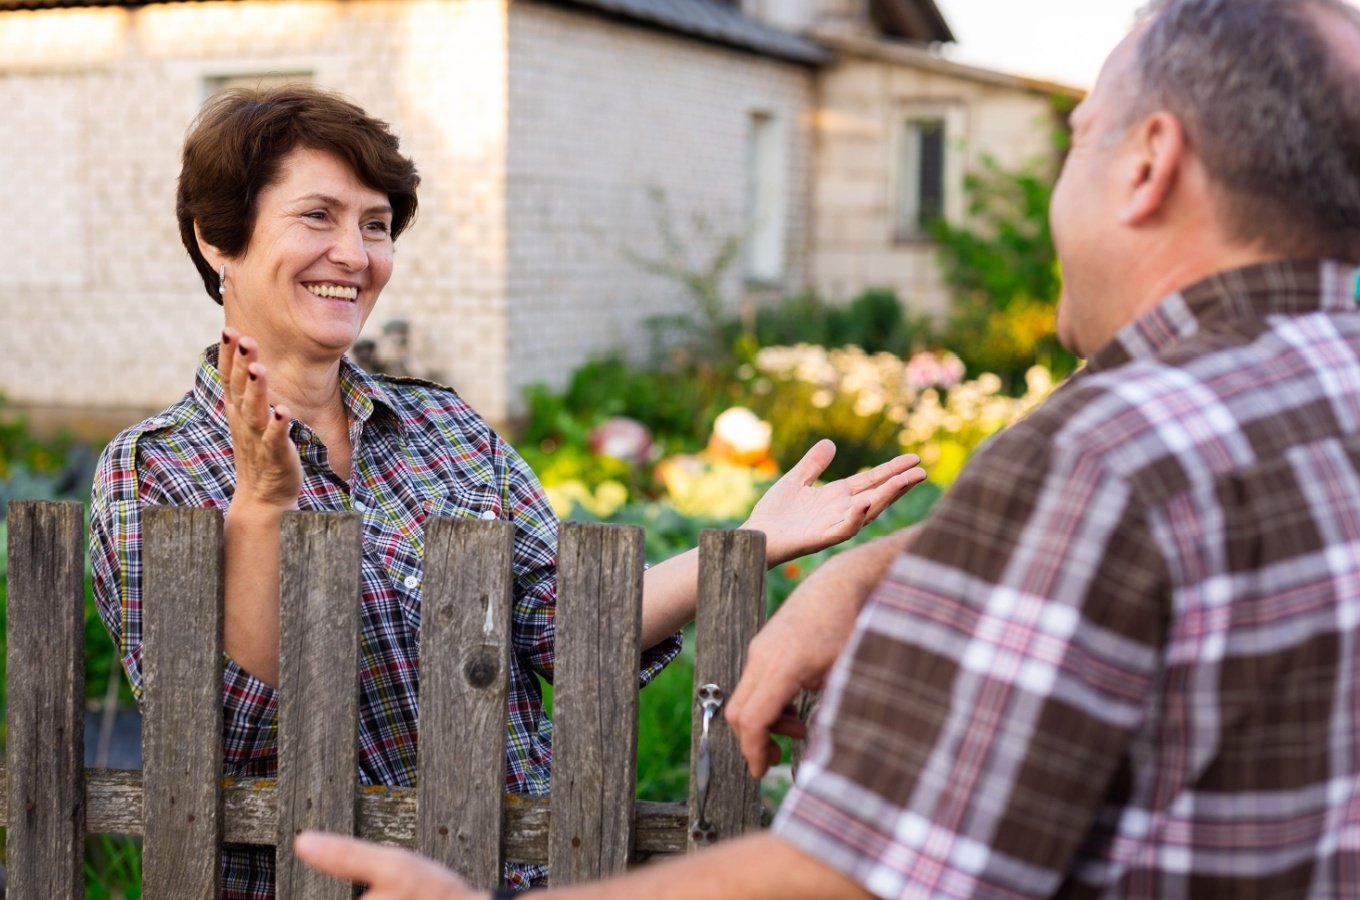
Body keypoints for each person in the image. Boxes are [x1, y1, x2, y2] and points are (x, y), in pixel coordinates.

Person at [293, 0, 1360, 895]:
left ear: (1148, 166)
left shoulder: (1102, 458)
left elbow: (850, 881)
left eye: (1078, 138)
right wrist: (875, 566)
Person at [87, 85, 926, 899]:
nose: (355, 254)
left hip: (522, 876)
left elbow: (563, 626)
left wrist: (747, 540)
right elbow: (229, 731)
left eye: (375, 226)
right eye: (318, 216)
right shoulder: (153, 468)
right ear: (217, 239)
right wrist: (265, 505)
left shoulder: (448, 428)